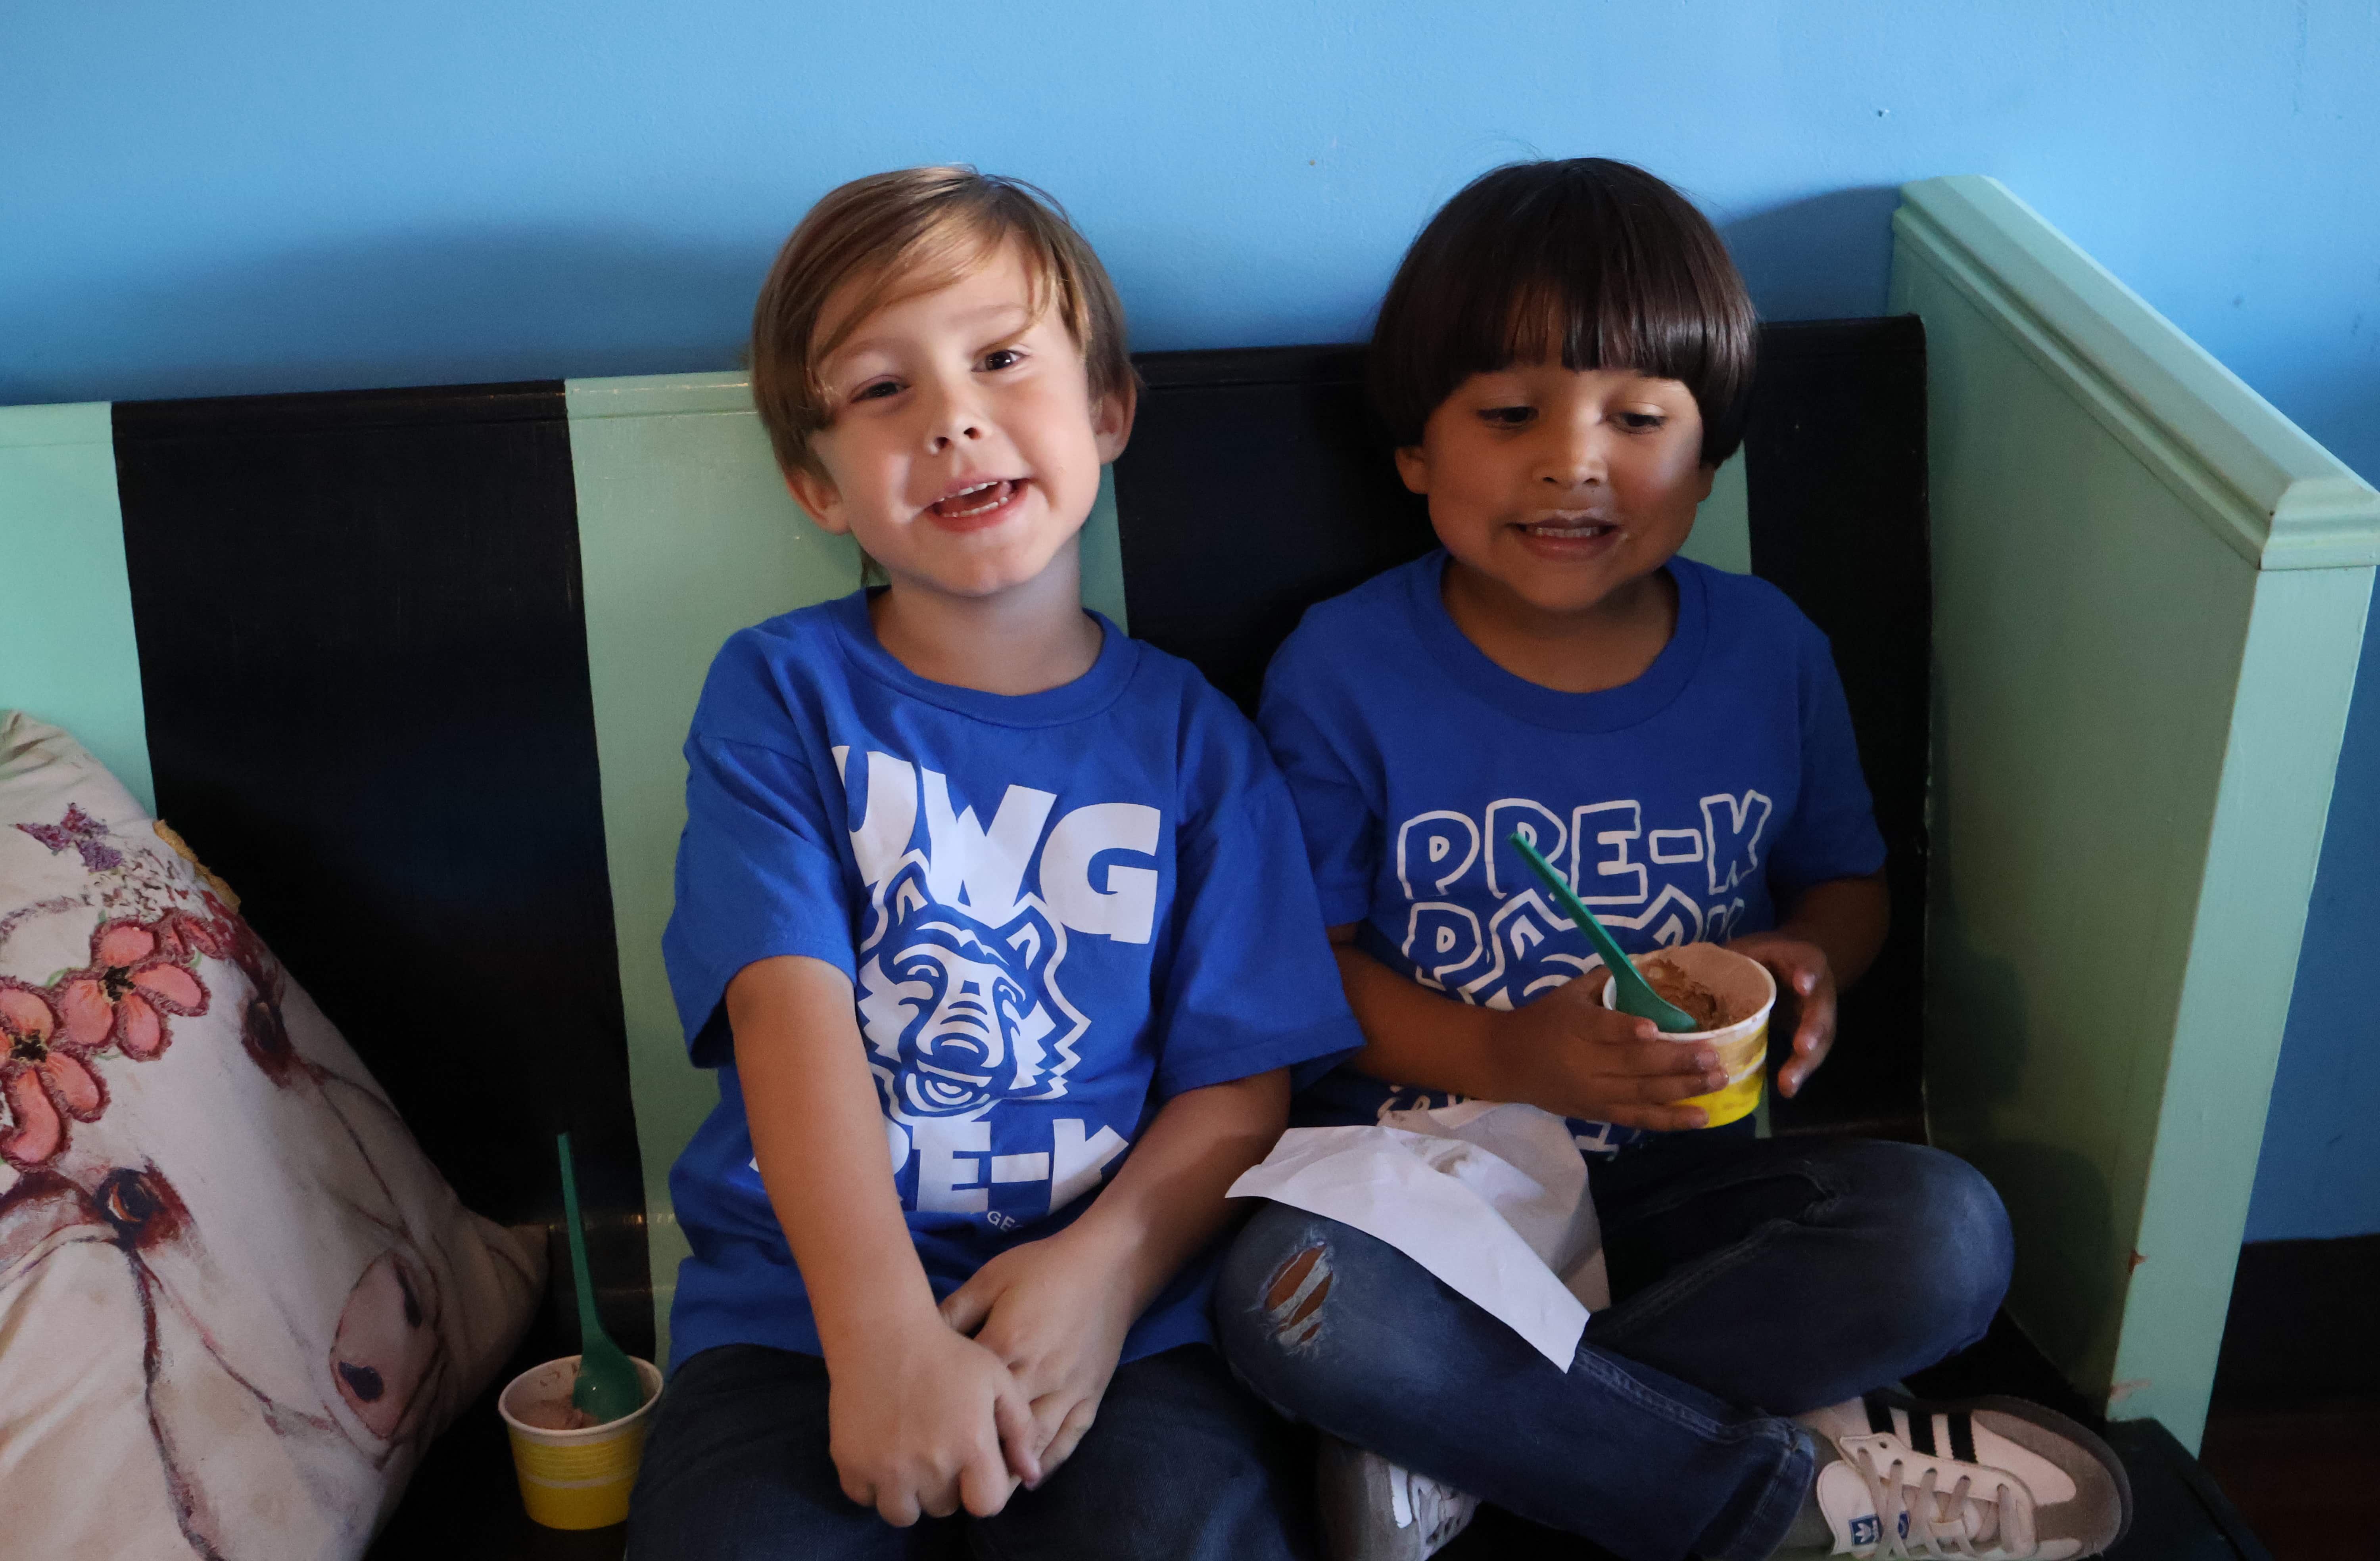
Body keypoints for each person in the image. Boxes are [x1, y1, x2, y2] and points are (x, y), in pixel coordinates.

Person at [1215, 159, 2131, 1561]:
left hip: (1681, 1201)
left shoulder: (1768, 652)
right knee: (1292, 1299)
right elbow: (1301, 971)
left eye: (1638, 419)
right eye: (1509, 414)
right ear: (1414, 450)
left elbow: (1847, 885)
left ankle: (1473, 1445)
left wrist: (1816, 959)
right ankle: (1793, 1490)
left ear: (1709, 465)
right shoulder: (1345, 669)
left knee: (1945, 1236)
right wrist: (1511, 1056)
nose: (1573, 460)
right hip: (1427, 1188)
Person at [627, 166, 1362, 1561]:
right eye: (882, 391)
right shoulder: (783, 693)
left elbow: (1238, 1088)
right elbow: (785, 1014)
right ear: (815, 481)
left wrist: (1103, 1276)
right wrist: (886, 1336)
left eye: (1003, 359)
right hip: (804, 1313)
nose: (956, 416)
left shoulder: (1199, 741)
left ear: (1106, 410)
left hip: (1124, 1329)